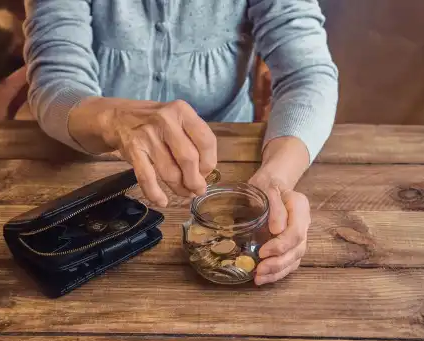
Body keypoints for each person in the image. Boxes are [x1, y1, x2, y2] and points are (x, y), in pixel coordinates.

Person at [23, 0, 339, 285]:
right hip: (93, 165)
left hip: (232, 155)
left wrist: (276, 178)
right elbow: (56, 81)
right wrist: (112, 120)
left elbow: (307, 74)